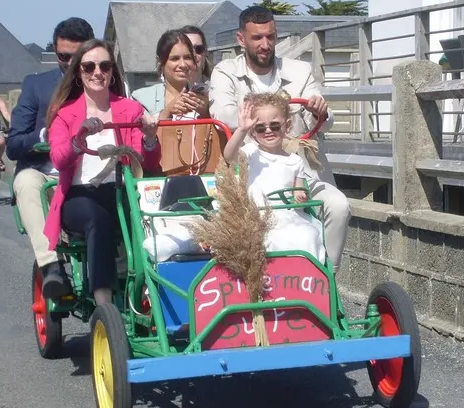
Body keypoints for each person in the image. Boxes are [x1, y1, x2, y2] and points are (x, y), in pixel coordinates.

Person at [210, 6, 350, 272]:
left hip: (299, 168)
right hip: (253, 171)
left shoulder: (300, 70)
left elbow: (326, 120)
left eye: (271, 37)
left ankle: (324, 280)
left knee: (339, 206)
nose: (265, 44)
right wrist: (264, 120)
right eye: (257, 38)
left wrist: (318, 110)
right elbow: (225, 116)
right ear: (241, 39)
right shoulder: (225, 71)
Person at [43, 39, 161, 305]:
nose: (98, 72)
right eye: (89, 66)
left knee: (152, 217)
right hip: (80, 193)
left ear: (112, 71)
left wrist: (150, 138)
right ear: (78, 73)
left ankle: (151, 292)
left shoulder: (129, 108)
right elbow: (60, 159)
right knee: (98, 220)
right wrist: (78, 140)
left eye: (104, 65)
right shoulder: (64, 114)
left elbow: (147, 160)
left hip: (123, 188)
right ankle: (103, 303)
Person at [6, 17, 94, 299]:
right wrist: (44, 136)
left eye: (78, 56)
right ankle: (52, 268)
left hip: (91, 173)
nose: (70, 63)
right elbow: (14, 144)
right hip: (47, 175)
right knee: (27, 181)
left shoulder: (105, 82)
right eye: (63, 56)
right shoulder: (36, 86)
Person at [222, 92, 325, 263]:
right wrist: (242, 130)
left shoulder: (295, 160)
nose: (268, 131)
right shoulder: (251, 152)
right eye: (260, 128)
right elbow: (229, 156)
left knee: (309, 236)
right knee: (267, 239)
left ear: (287, 126)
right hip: (257, 215)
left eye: (275, 126)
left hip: (287, 214)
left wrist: (299, 196)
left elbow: (298, 190)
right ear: (253, 132)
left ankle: (304, 279)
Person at [130, 29, 218, 175]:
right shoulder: (141, 99)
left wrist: (205, 114)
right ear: (161, 62)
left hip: (205, 177)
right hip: (159, 179)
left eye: (188, 57)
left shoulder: (211, 94)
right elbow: (141, 148)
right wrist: (167, 113)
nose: (183, 64)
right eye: (175, 58)